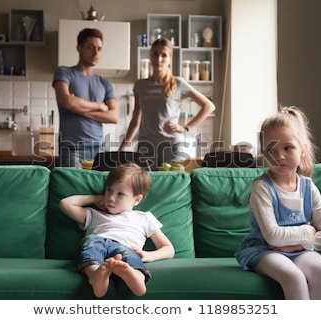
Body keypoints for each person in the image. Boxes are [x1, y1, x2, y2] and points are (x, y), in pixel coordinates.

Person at [235, 106, 321, 300]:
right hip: (263, 250)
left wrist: (297, 246)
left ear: (303, 149)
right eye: (271, 150)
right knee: (293, 276)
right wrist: (309, 232)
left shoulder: (308, 187)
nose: (279, 156)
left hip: (301, 249)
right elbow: (273, 237)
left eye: (288, 148)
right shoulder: (262, 187)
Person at [59, 163, 175, 297]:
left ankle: (137, 277)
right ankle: (96, 276)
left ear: (136, 199)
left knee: (131, 257)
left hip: (125, 247)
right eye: (109, 190)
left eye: (120, 194)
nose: (111, 198)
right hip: (97, 242)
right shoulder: (95, 214)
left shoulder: (144, 218)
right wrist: (96, 198)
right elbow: (66, 204)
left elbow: (169, 249)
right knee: (89, 245)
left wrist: (150, 255)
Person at [119, 38, 216, 169]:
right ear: (150, 56)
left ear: (170, 58)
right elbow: (136, 120)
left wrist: (185, 128)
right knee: (146, 184)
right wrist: (123, 147)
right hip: (146, 146)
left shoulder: (179, 83)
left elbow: (209, 106)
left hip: (172, 144)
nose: (159, 59)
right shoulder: (140, 85)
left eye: (163, 55)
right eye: (155, 54)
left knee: (172, 183)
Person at [53, 28, 119, 167]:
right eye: (90, 47)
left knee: (97, 188)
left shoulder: (104, 82)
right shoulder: (64, 72)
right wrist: (100, 107)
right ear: (79, 48)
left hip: (99, 148)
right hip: (72, 147)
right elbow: (67, 101)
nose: (96, 53)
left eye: (99, 49)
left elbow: (114, 117)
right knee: (72, 188)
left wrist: (78, 108)